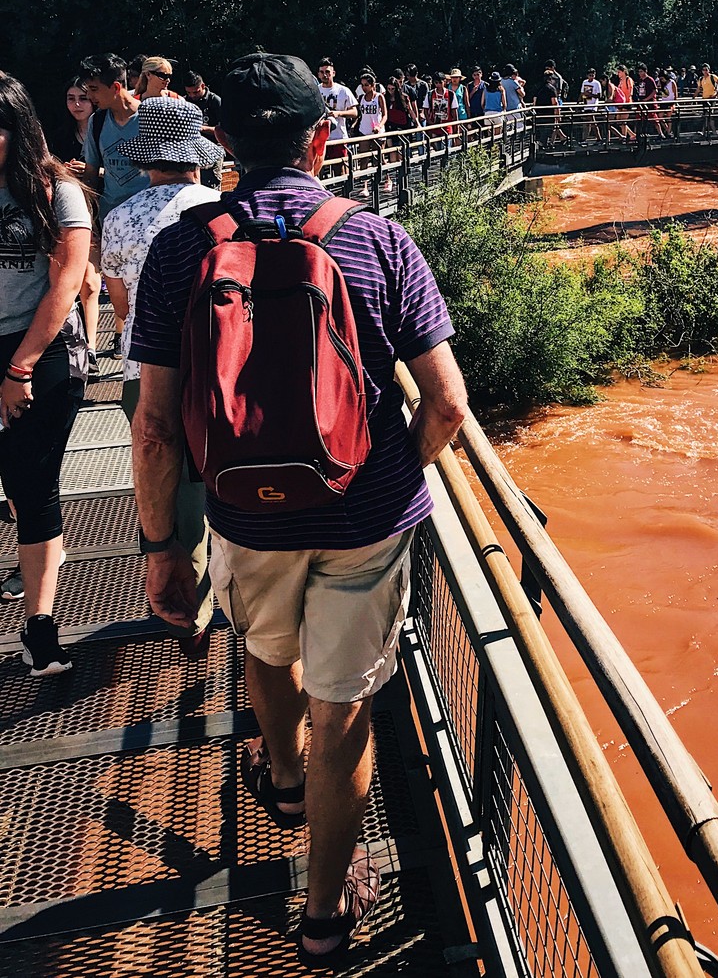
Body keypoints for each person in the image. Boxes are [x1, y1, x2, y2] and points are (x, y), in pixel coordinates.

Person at [129, 52, 467, 968]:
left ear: (225, 145)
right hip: (364, 519)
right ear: (325, 137)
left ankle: (280, 783)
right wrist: (392, 471)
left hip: (244, 511)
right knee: (345, 704)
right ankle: (323, 916)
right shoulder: (378, 239)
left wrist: (164, 548)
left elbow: (155, 428)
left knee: (265, 646)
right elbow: (447, 404)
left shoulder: (179, 249)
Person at [100, 98, 224, 656]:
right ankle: (218, 596)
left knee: (170, 487)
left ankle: (180, 597)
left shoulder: (121, 217)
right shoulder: (220, 209)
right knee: (212, 484)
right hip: (214, 368)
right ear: (196, 154)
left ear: (146, 158)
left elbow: (121, 306)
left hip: (140, 367)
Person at [0, 72, 91, 672]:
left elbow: (65, 283)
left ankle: (39, 624)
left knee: (31, 488)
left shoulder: (54, 190)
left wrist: (19, 367)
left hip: (40, 351)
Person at [79, 52, 149, 356]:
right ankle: (129, 347)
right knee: (120, 294)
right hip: (112, 222)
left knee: (150, 290)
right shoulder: (97, 123)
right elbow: (92, 175)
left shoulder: (148, 117)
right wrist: (90, 221)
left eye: (94, 89)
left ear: (116, 87)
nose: (89, 96)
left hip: (149, 221)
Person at [51, 79, 102, 377]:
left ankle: (117, 333)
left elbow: (122, 168)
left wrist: (93, 171)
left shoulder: (101, 130)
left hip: (102, 209)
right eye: (71, 98)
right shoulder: (60, 136)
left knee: (99, 282)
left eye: (83, 98)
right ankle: (90, 348)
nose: (77, 104)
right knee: (87, 283)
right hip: (71, 215)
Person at [316, 59, 358, 167]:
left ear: (333, 73)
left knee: (340, 168)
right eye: (322, 72)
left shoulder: (343, 90)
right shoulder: (315, 90)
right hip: (320, 138)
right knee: (319, 169)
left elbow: (355, 112)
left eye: (327, 72)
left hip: (338, 137)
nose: (325, 75)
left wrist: (339, 113)